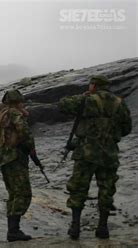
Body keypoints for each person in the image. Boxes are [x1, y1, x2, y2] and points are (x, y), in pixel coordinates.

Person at [58, 75, 132, 240]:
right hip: (109, 154)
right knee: (106, 189)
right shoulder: (119, 103)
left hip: (86, 153)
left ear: (93, 85)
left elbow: (63, 105)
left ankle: (75, 227)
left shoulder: (88, 100)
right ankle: (103, 227)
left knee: (78, 188)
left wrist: (83, 97)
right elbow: (127, 128)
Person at [0, 89, 34, 242]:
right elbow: (24, 132)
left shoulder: (1, 114)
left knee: (13, 193)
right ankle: (14, 230)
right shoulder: (15, 114)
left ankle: (12, 229)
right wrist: (30, 148)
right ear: (18, 101)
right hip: (15, 158)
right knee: (23, 193)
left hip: (3, 158)